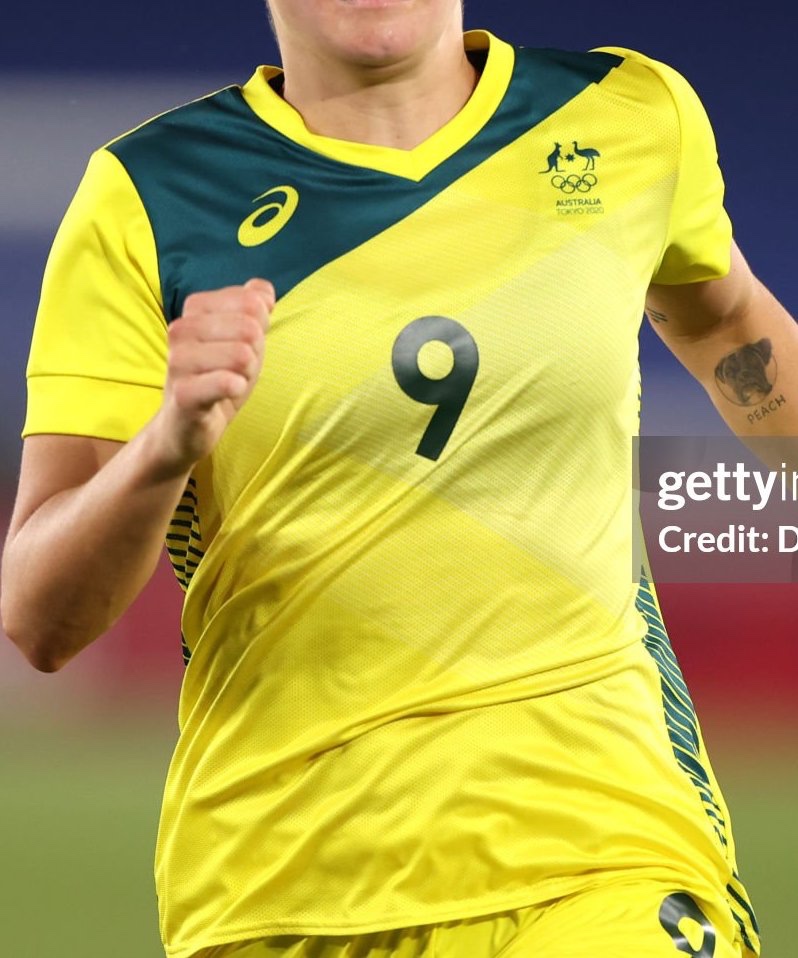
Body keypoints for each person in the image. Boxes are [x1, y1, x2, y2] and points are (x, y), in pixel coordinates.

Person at [2, 1, 795, 955]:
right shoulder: (147, 197)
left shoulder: (627, 116)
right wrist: (164, 446)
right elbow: (41, 621)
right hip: (279, 885)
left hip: (606, 854)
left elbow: (726, 322)